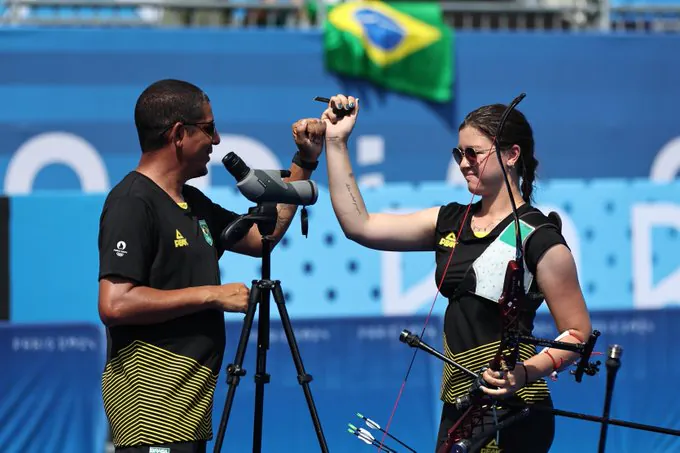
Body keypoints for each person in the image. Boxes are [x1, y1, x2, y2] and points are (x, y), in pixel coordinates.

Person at [298, 94, 592, 453]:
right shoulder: (451, 220)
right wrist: (336, 142)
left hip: (515, 410)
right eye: (459, 154)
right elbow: (361, 225)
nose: (464, 164)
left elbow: (578, 334)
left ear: (512, 155)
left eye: (474, 153)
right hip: (460, 406)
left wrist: (522, 374)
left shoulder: (539, 237)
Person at [97, 79, 325, 453]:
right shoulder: (131, 202)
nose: (217, 140)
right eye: (208, 128)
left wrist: (305, 161)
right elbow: (115, 303)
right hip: (153, 419)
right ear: (178, 134)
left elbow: (261, 239)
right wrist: (211, 295)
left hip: (189, 412)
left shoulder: (191, 201)